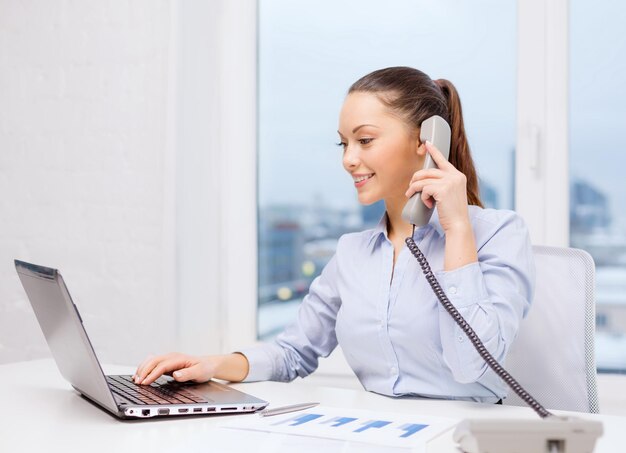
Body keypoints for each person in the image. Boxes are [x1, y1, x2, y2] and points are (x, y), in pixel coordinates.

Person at [134, 66, 534, 403]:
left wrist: (457, 227)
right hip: (379, 437)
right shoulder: (352, 253)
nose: (348, 159)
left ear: (427, 141)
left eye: (365, 140)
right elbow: (293, 352)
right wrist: (211, 365)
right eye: (343, 143)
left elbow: (471, 366)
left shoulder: (498, 234)